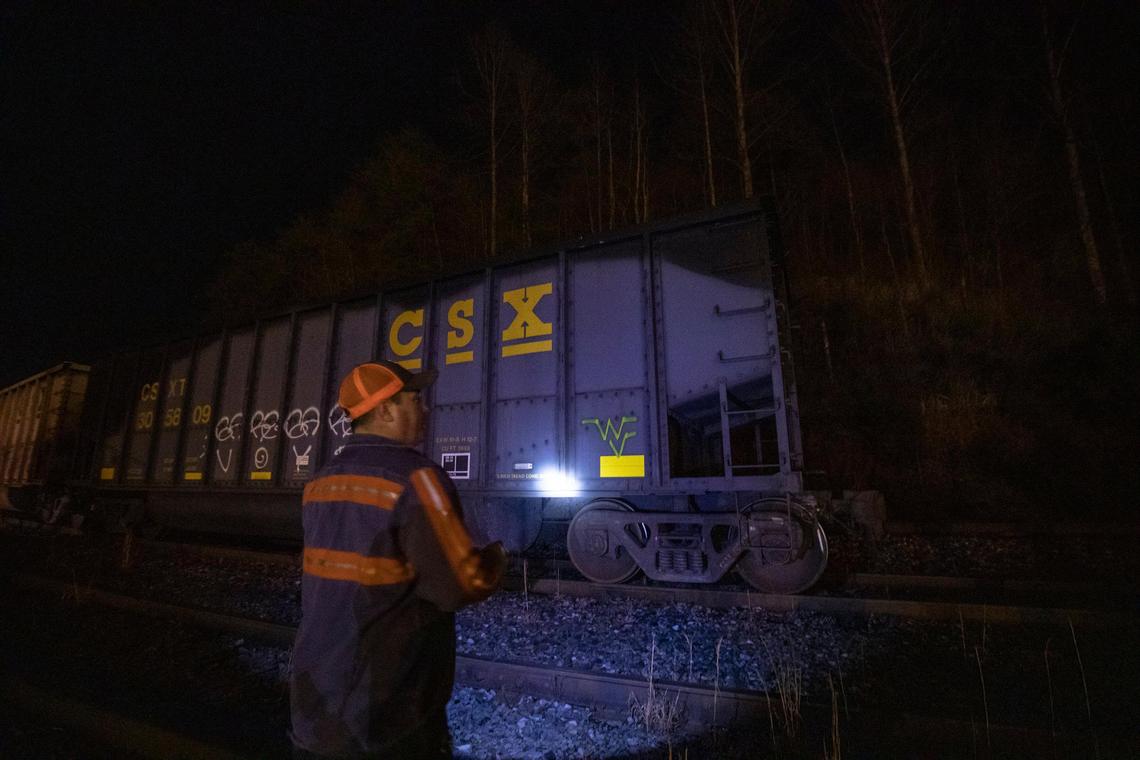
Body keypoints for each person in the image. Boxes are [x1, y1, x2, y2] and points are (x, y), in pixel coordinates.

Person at [290, 360, 506, 758]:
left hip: (315, 702)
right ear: (386, 409)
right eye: (415, 399)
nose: (424, 410)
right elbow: (460, 586)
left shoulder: (320, 482)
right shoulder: (418, 478)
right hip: (388, 714)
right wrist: (496, 556)